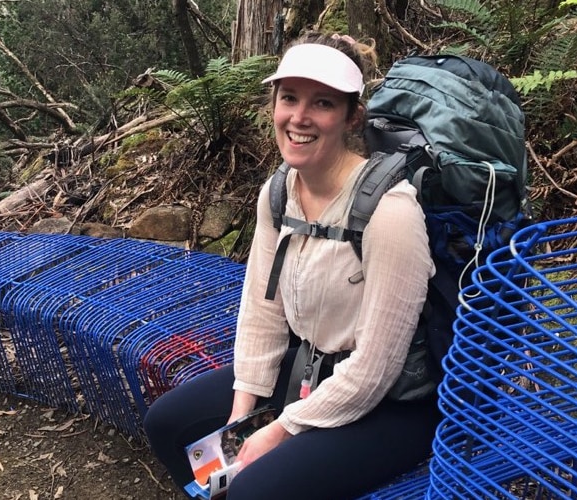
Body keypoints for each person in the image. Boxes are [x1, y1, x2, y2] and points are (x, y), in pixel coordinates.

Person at [143, 31, 442, 499]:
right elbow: (261, 311)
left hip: (391, 403)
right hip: (309, 370)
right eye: (289, 98)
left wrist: (281, 428)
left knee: (256, 490)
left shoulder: (389, 212)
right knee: (168, 424)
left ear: (351, 116)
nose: (299, 118)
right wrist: (241, 419)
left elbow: (375, 371)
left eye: (322, 103)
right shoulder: (279, 192)